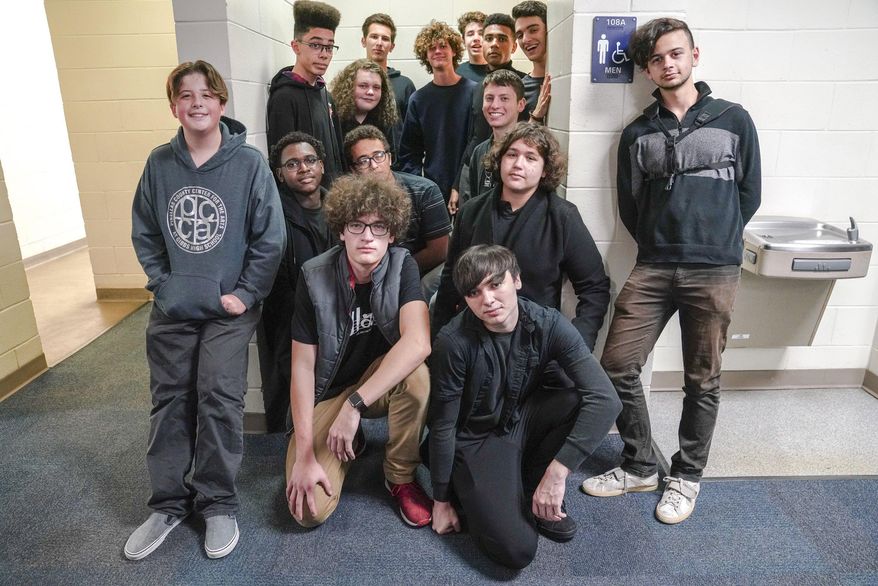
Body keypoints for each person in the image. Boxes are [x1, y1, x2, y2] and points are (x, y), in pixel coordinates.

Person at [581, 18, 761, 525]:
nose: (668, 64)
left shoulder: (733, 118)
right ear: (646, 69)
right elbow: (630, 206)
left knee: (702, 379)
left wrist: (716, 236)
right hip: (655, 266)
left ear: (694, 55)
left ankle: (686, 476)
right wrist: (662, 242)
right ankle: (639, 463)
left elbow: (750, 194)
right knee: (616, 364)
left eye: (675, 54)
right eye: (657, 59)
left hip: (715, 269)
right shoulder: (638, 132)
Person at [126, 61, 284, 560]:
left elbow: (270, 238)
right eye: (185, 95)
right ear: (173, 105)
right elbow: (146, 231)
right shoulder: (159, 163)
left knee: (218, 396)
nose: (196, 103)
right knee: (169, 400)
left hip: (228, 310)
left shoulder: (249, 164)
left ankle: (217, 502)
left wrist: (246, 293)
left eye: (206, 94)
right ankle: (168, 503)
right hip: (174, 307)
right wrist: (162, 283)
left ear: (221, 103)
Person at [430, 245, 621, 569]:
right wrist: (440, 499)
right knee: (516, 550)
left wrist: (557, 473)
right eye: (475, 292)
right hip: (474, 438)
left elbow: (606, 400)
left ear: (516, 280)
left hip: (519, 416)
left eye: (495, 284)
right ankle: (480, 487)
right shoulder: (453, 341)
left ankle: (533, 484)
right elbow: (443, 426)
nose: (488, 299)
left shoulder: (548, 323)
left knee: (576, 398)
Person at [285, 174, 433, 529]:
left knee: (417, 375)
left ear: (392, 234)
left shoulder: (403, 265)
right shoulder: (313, 275)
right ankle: (349, 440)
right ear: (341, 230)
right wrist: (305, 453)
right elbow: (302, 370)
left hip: (375, 387)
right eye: (357, 225)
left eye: (379, 226)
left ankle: (399, 478)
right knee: (309, 512)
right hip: (329, 394)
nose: (367, 236)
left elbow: (418, 342)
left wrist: (355, 406)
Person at [434, 123, 610, 354]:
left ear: (545, 169)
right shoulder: (471, 211)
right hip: (473, 340)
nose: (518, 164)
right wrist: (438, 340)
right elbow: (450, 281)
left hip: (534, 345)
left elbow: (595, 288)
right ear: (500, 160)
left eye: (531, 158)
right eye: (512, 154)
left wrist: (576, 347)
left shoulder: (562, 217)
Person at [257, 131, 335, 434]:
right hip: (290, 319)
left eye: (309, 160)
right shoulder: (273, 216)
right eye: (292, 164)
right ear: (280, 174)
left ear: (322, 166)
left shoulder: (338, 208)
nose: (303, 168)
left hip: (334, 311)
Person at [344, 125, 451, 297]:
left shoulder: (425, 190)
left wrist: (394, 271)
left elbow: (440, 251)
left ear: (390, 158)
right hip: (369, 272)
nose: (373, 165)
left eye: (378, 156)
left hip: (420, 270)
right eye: (363, 160)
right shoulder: (348, 200)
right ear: (353, 169)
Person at [450, 13, 527, 214]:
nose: (494, 44)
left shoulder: (524, 85)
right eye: (489, 38)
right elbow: (472, 136)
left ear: (513, 46)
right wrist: (458, 182)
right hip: (474, 168)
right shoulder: (476, 88)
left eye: (502, 39)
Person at [398, 20, 476, 204]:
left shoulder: (475, 92)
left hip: (469, 184)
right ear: (425, 54)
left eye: (443, 46)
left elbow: (478, 141)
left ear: (454, 50)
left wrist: (461, 183)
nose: (438, 51)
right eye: (432, 48)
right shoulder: (418, 99)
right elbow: (409, 153)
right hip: (432, 189)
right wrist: (421, 189)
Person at [267, 0, 344, 185]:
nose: (324, 54)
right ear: (296, 46)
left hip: (334, 198)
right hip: (305, 205)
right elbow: (283, 164)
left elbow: (338, 155)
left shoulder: (326, 94)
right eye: (316, 45)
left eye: (329, 47)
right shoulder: (284, 97)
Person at [461, 69, 526, 207]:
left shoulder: (530, 154)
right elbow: (474, 204)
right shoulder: (479, 152)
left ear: (520, 105)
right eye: (489, 98)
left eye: (504, 98)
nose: (495, 105)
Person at [360, 12, 416, 150]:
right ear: (363, 41)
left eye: (385, 39)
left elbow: (414, 134)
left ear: (392, 46)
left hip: (398, 167)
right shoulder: (351, 84)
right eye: (374, 37)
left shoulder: (405, 85)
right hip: (361, 166)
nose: (379, 43)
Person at [330, 59, 399, 155]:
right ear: (348, 87)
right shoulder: (333, 118)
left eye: (376, 87)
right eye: (363, 86)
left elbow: (392, 157)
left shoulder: (385, 118)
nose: (370, 92)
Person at [513, 1, 551, 123]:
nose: (526, 40)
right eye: (520, 35)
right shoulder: (520, 90)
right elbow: (515, 140)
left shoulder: (567, 80)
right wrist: (536, 115)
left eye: (533, 30)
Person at [455, 11, 488, 82]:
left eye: (481, 33)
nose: (476, 38)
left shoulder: (500, 72)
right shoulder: (456, 73)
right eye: (470, 34)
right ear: (463, 40)